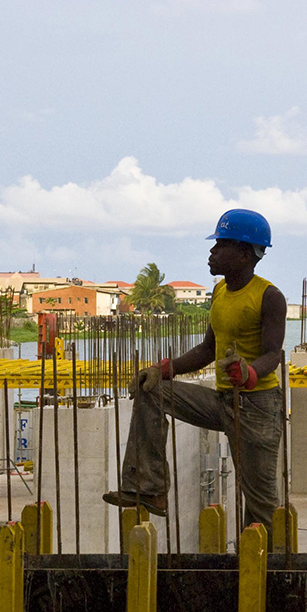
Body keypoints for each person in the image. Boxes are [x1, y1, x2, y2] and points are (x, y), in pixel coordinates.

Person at [105, 209, 287, 535]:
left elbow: (273, 353)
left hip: (257, 407)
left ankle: (264, 569)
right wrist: (162, 369)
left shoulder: (269, 297)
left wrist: (249, 372)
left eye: (220, 246)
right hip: (221, 401)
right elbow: (206, 350)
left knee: (260, 506)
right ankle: (149, 488)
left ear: (245, 253)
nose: (211, 253)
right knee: (152, 390)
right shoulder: (219, 293)